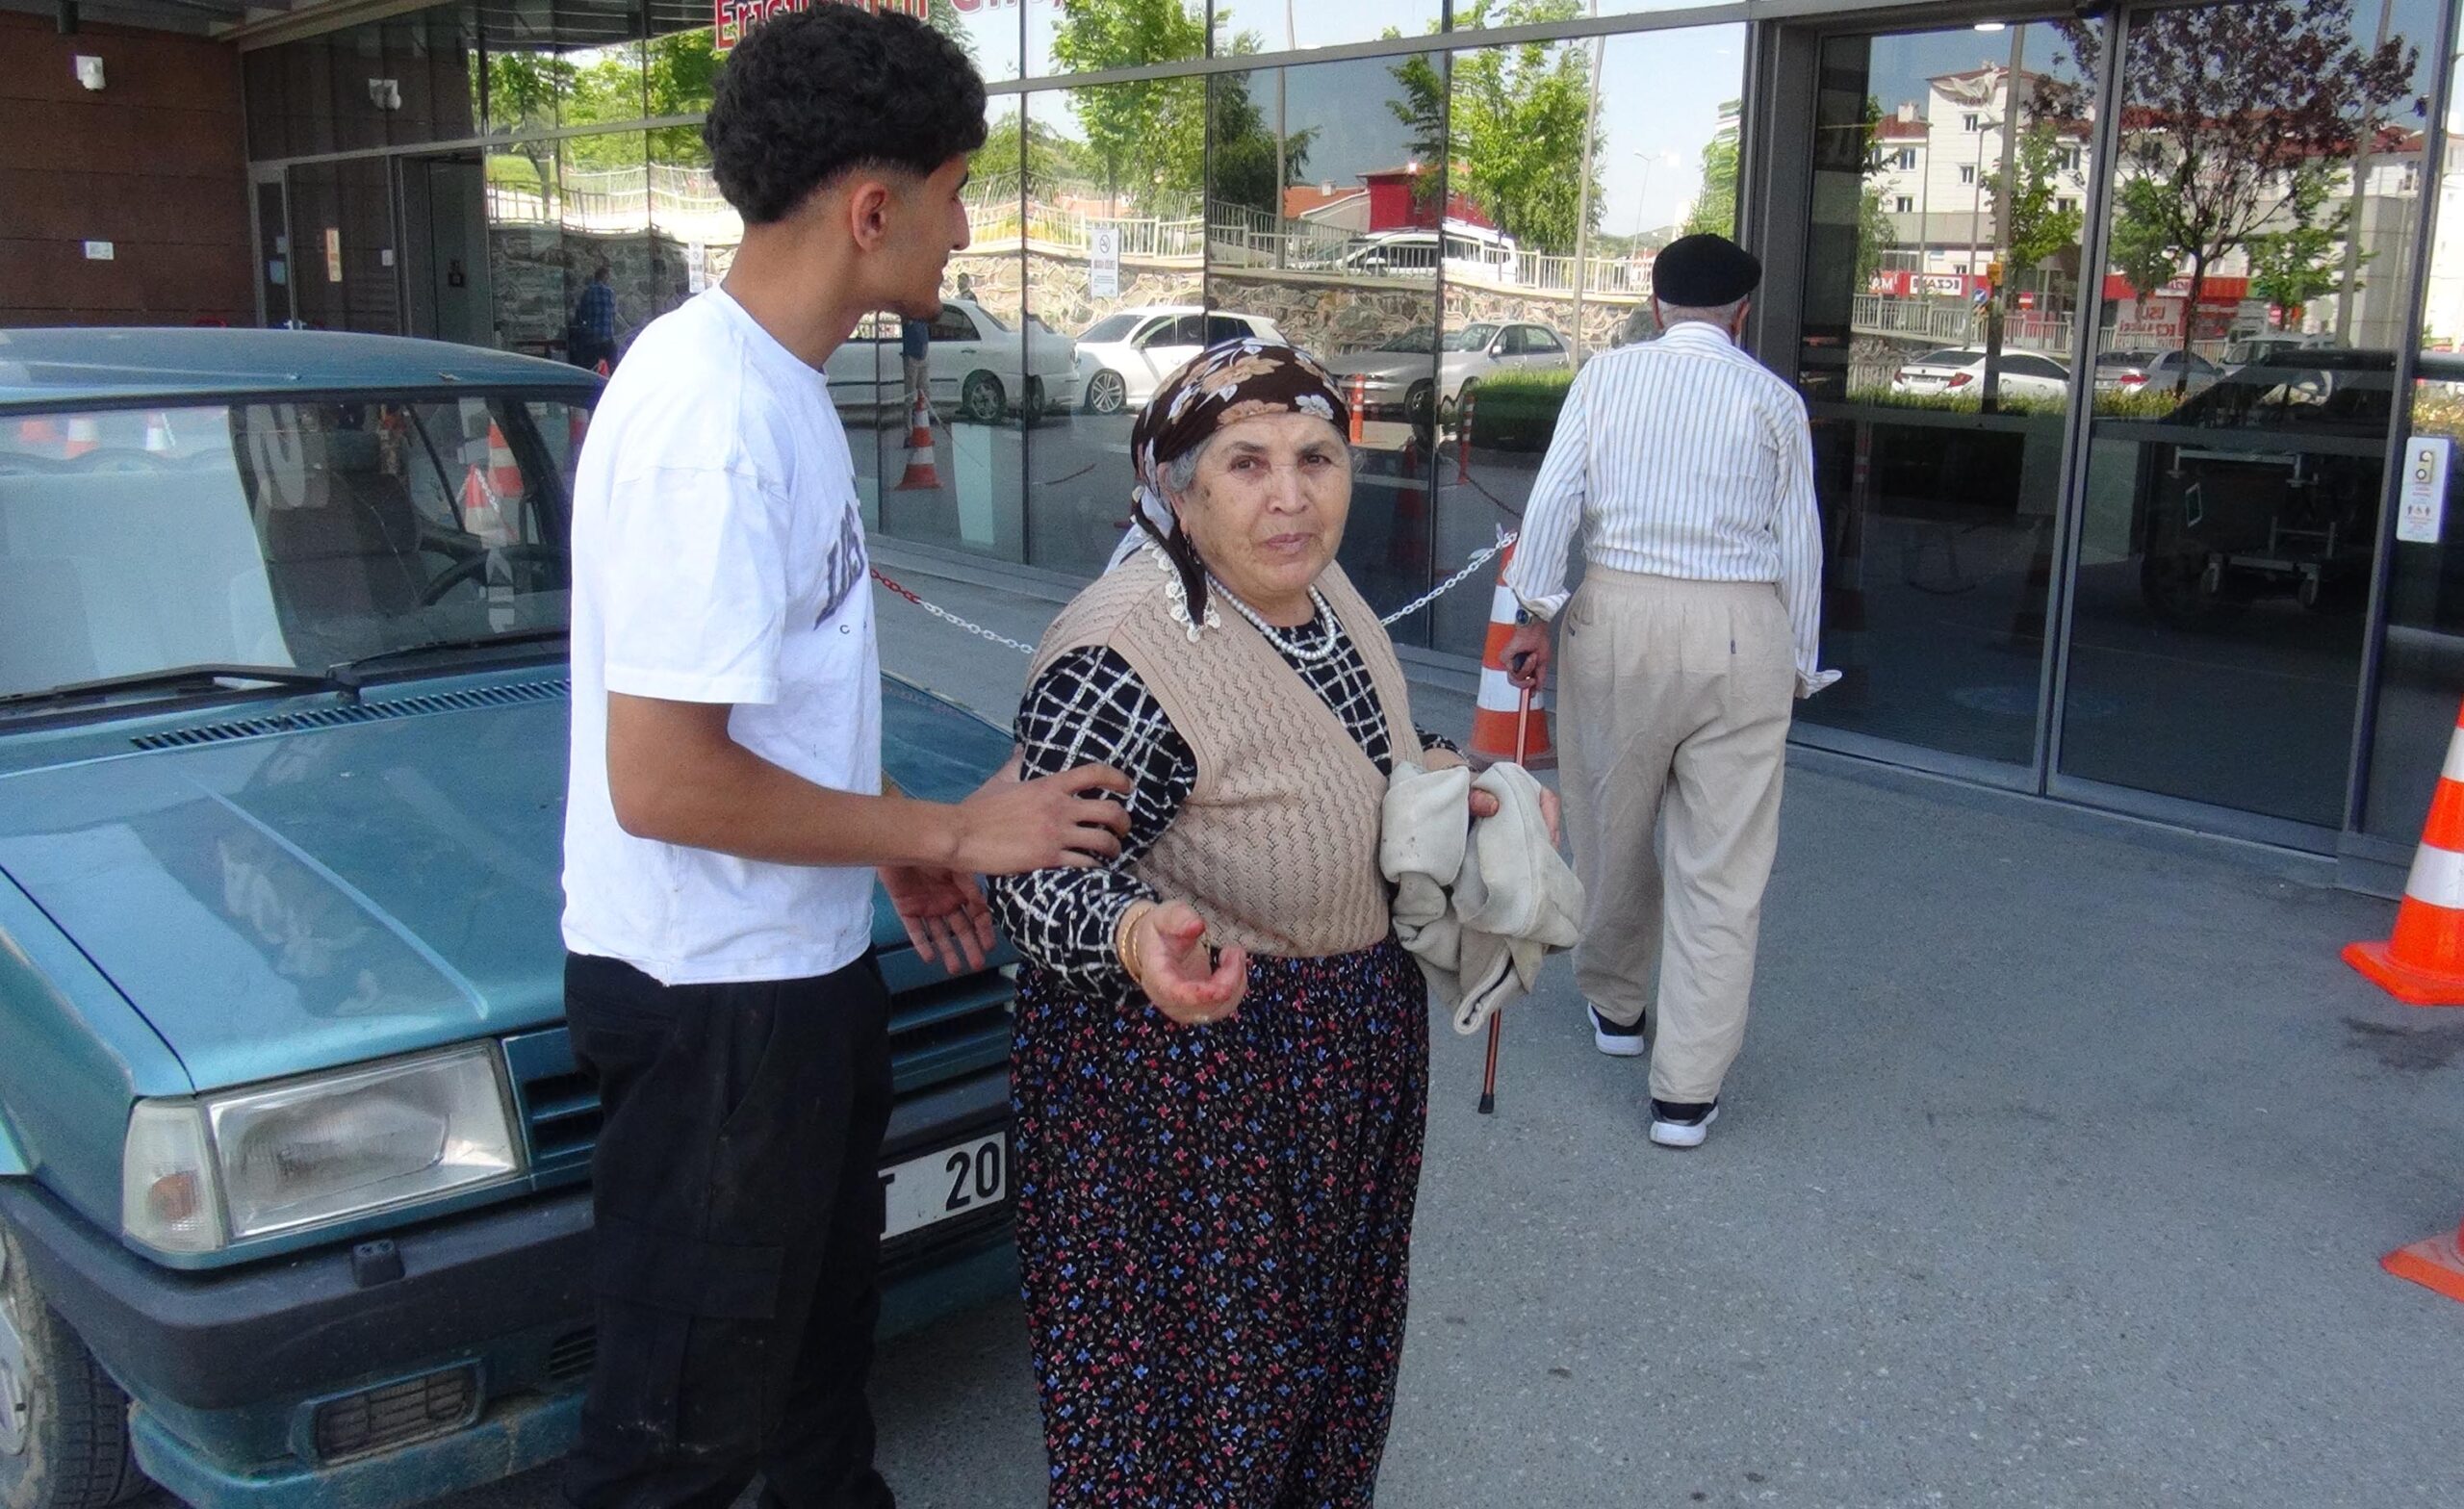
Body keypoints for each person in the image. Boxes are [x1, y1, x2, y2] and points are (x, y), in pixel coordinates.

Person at [558, 11, 1131, 1507]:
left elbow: (772, 710)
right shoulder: (707, 420)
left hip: (792, 983)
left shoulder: (781, 388)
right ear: (874, 210)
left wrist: (877, 831)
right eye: (956, 192)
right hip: (712, 1008)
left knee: (815, 1394)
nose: (966, 230)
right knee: (679, 1445)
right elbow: (662, 782)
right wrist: (951, 831)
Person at [988, 340, 1551, 1505]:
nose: (1290, 495)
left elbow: (1353, 745)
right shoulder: (1122, 650)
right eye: (1246, 463)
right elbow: (1033, 868)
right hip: (1189, 1086)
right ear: (1178, 487)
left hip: (1343, 1059)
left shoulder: (1322, 594)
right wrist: (1136, 937)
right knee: (1191, 1422)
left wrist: (1448, 784)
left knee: (1328, 1384)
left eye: (1316, 458)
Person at [1502, 232, 1836, 1150]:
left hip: (1618, 618)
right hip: (1743, 627)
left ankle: (1616, 1008)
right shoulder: (1774, 401)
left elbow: (1553, 501)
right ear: (1741, 315)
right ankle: (1685, 1096)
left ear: (1656, 307)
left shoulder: (1605, 379)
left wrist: (1534, 610)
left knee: (1611, 826)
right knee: (1723, 869)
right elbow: (1800, 543)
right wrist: (1801, 662)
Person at [570, 263, 618, 371]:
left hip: (592, 338)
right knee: (613, 368)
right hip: (607, 338)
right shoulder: (610, 292)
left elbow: (581, 315)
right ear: (605, 277)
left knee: (590, 368)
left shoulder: (587, 292)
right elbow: (613, 314)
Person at [899, 313, 932, 420]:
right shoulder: (909, 314)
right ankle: (909, 424)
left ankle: (923, 419)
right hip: (912, 356)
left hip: (922, 355)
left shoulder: (922, 315)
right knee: (910, 394)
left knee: (925, 391)